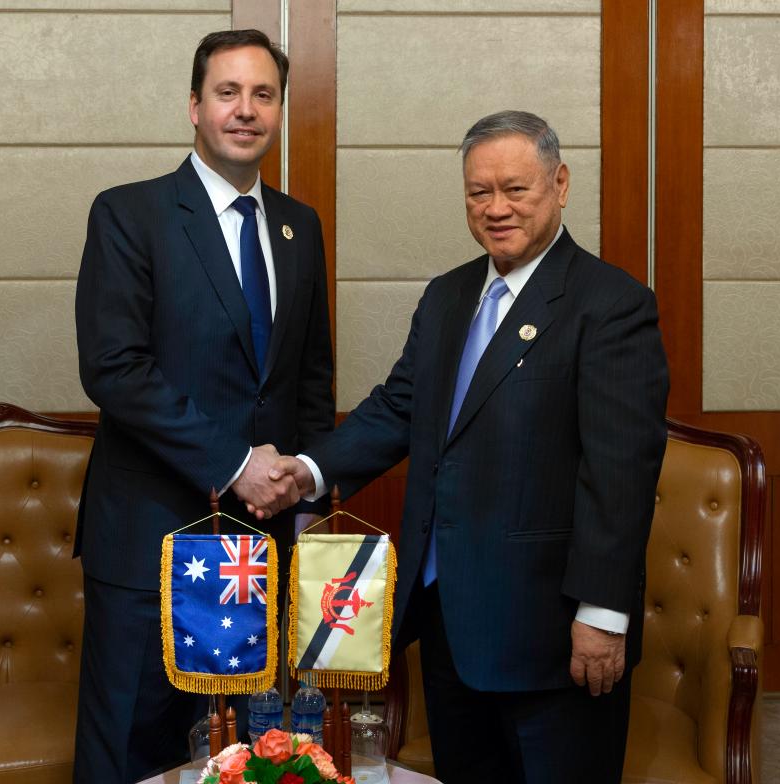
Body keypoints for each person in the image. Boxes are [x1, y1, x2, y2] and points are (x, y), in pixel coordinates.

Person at [267, 111, 669, 783]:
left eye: (516, 188)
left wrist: (602, 615)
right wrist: (305, 471)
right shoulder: (448, 296)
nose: (497, 208)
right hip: (448, 617)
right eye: (479, 192)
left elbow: (620, 474)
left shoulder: (611, 305)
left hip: (551, 632)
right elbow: (399, 408)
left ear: (561, 183)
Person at [72, 29, 334, 783]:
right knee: (129, 744)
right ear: (195, 106)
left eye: (263, 95)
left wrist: (309, 495)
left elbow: (309, 377)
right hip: (150, 537)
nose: (245, 110)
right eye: (228, 93)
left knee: (233, 750)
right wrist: (232, 463)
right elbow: (114, 370)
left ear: (279, 110)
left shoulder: (299, 226)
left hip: (259, 542)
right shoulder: (130, 215)